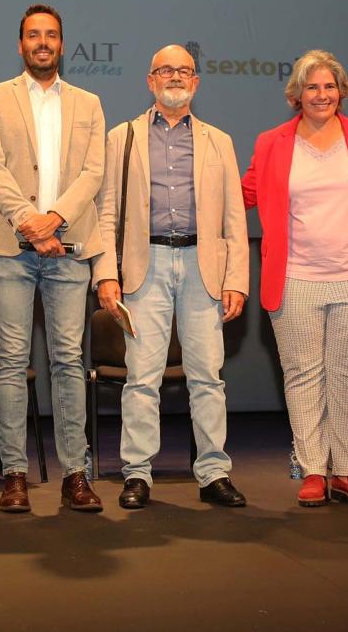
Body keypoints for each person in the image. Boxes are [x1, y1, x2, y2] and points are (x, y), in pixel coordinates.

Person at [93, 45, 250, 509]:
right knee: (142, 378)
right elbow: (106, 212)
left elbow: (234, 220)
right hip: (146, 267)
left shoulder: (219, 140)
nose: (175, 77)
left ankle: (214, 473)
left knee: (208, 378)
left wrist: (236, 278)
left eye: (184, 70)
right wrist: (106, 272)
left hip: (205, 267)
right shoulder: (122, 137)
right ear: (149, 80)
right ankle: (137, 475)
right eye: (165, 70)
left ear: (196, 82)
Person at [0, 4, 106, 512]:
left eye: (51, 35)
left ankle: (76, 473)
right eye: (34, 35)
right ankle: (14, 475)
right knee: (12, 360)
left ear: (62, 45)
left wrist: (55, 219)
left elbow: (93, 173)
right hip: (11, 248)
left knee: (68, 360)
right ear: (20, 44)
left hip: (70, 249)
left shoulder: (89, 103)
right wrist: (31, 220)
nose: (42, 42)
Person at [241, 49, 348, 507]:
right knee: (303, 376)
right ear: (296, 95)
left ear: (341, 91)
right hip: (295, 278)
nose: (321, 95)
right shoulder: (271, 143)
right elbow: (242, 193)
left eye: (329, 86)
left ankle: (347, 470)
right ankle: (312, 470)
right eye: (311, 87)